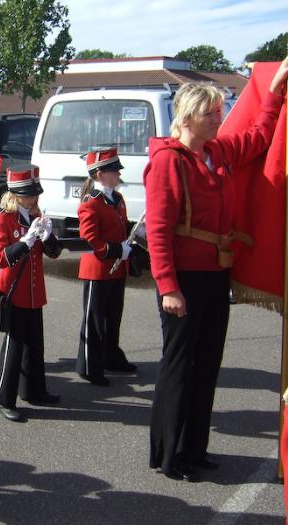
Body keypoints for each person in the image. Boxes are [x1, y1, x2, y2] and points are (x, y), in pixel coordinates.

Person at [145, 58, 288, 482]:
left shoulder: (216, 151)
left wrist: (275, 91)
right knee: (180, 366)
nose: (218, 119)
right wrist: (168, 287)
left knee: (207, 364)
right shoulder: (168, 161)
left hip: (214, 275)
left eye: (219, 112)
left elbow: (259, 137)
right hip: (183, 280)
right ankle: (171, 455)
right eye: (210, 113)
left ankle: (195, 449)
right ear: (188, 117)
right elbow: (158, 231)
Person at [0, 166, 63, 422]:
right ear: (14, 194)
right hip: (14, 292)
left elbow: (54, 253)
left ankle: (34, 391)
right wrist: (26, 242)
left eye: (34, 194)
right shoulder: (2, 218)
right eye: (27, 195)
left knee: (35, 346)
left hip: (34, 292)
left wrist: (49, 236)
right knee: (13, 349)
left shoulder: (36, 215)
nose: (32, 199)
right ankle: (4, 399)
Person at [76, 147, 137, 387]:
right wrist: (116, 250)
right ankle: (89, 366)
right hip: (99, 269)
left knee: (113, 316)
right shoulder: (91, 202)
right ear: (100, 174)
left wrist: (135, 233)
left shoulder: (117, 199)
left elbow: (121, 226)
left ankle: (111, 357)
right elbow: (89, 238)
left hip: (117, 268)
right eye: (114, 171)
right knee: (94, 320)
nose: (118, 174)